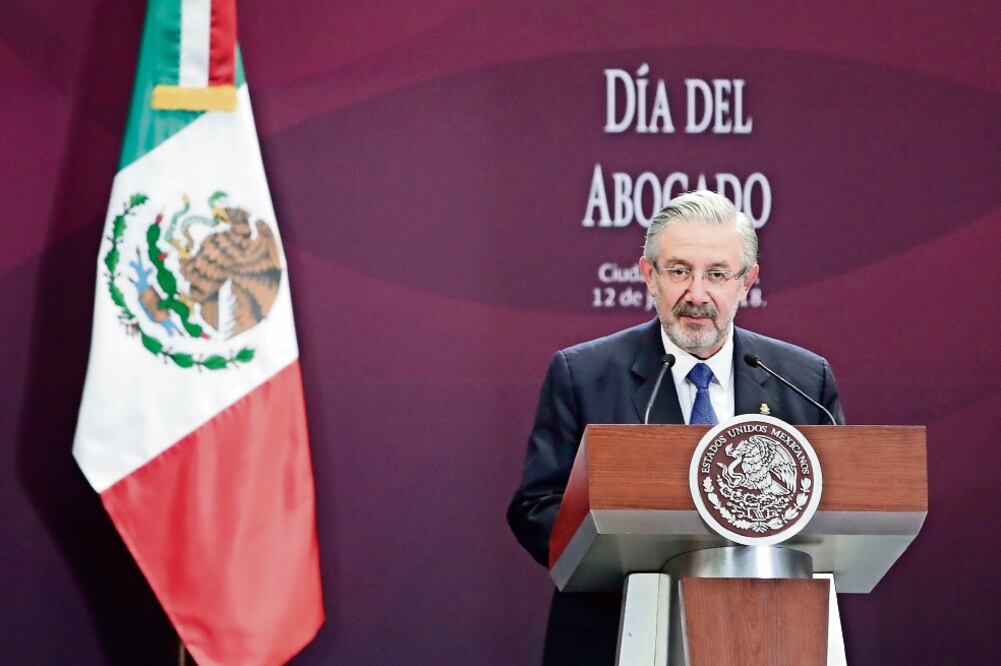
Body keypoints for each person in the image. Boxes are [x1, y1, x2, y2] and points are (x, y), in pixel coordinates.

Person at [506, 190, 845, 666]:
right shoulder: (583, 374)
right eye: (679, 271)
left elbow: (836, 510)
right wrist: (623, 551)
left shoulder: (805, 381)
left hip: (768, 633)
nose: (697, 294)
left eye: (717, 274)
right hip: (615, 632)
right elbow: (536, 508)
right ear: (649, 275)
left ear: (746, 282)